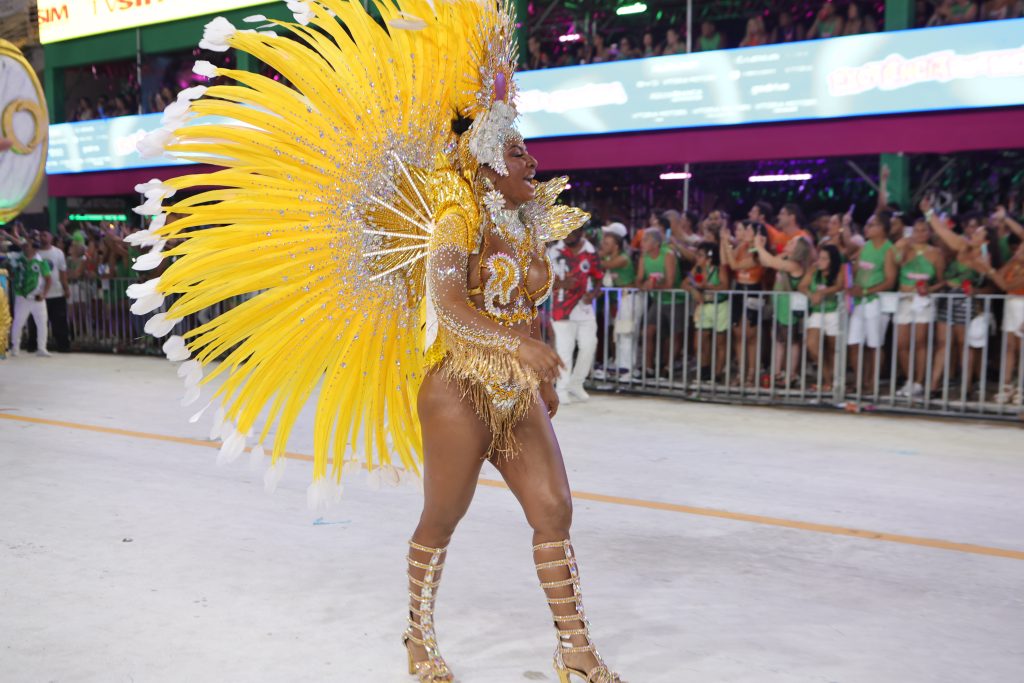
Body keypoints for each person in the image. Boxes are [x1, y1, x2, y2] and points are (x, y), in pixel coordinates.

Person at [125, 3, 623, 682]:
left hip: (512, 394)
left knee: (554, 509)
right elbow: (447, 308)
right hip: (458, 393)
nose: (530, 161)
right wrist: (521, 348)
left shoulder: (525, 221)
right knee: (442, 519)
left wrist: (533, 369)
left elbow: (518, 307)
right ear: (482, 157)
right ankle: (418, 637)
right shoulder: (456, 215)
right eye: (514, 150)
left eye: (526, 149)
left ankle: (574, 648)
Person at [549, 228, 604, 404]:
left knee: (589, 346)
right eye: (565, 232)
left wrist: (594, 294)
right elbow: (543, 278)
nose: (567, 235)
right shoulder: (554, 251)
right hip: (561, 308)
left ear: (581, 232)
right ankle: (562, 388)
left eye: (572, 232)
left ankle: (576, 383)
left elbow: (598, 277)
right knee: (565, 349)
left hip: (584, 307)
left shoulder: (590, 251)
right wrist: (562, 283)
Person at [892, 219, 945, 399]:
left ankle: (919, 382)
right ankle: (909, 378)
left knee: (920, 342)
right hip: (904, 300)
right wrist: (906, 247)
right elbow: (898, 263)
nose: (920, 233)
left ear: (929, 233)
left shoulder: (936, 253)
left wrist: (929, 289)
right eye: (916, 230)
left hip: (923, 301)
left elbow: (940, 280)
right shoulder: (906, 249)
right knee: (902, 343)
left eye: (923, 230)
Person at [755, 234, 814, 388]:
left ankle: (791, 374)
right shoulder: (786, 259)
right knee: (779, 341)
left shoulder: (795, 264)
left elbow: (770, 261)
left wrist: (760, 247)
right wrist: (762, 247)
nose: (788, 242)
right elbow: (765, 261)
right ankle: (777, 373)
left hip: (790, 309)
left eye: (792, 242)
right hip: (781, 307)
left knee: (792, 343)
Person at [848, 212, 897, 394]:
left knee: (874, 344)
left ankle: (872, 383)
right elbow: (854, 268)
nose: (867, 227)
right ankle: (860, 381)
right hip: (860, 301)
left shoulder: (888, 249)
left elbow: (890, 280)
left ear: (883, 229)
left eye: (873, 224)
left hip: (876, 301)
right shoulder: (865, 246)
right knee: (854, 342)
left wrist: (867, 290)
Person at [722, 220, 767, 387]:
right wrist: (724, 241)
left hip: (753, 290)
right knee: (738, 334)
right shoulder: (741, 247)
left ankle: (751, 374)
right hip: (739, 289)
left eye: (749, 230)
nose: (745, 232)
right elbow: (725, 261)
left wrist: (727, 245)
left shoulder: (757, 252)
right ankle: (741, 372)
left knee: (751, 336)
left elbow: (734, 265)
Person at [637, 226, 683, 377]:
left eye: (645, 240)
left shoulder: (668, 255)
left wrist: (654, 286)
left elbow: (670, 283)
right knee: (648, 332)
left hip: (675, 300)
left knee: (673, 334)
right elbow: (638, 280)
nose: (642, 242)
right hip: (658, 300)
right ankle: (648, 367)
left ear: (656, 243)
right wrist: (645, 286)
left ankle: (668, 367)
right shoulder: (644, 257)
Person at [683, 240, 731, 381]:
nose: (697, 257)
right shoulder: (697, 269)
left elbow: (724, 286)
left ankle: (717, 373)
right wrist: (693, 290)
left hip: (720, 306)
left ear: (710, 257)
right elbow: (685, 283)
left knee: (720, 341)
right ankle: (704, 370)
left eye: (700, 255)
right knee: (700, 342)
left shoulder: (719, 268)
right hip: (704, 306)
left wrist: (707, 286)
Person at [801, 244, 845, 391]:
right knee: (812, 346)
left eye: (825, 259)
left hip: (834, 311)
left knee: (833, 349)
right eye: (820, 257)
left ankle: (834, 381)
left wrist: (823, 292)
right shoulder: (813, 269)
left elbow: (839, 286)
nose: (820, 261)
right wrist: (811, 295)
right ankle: (828, 379)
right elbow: (802, 286)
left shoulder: (839, 270)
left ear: (832, 261)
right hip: (818, 311)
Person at [598, 222, 638, 379]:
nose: (603, 245)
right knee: (618, 333)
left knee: (625, 333)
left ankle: (627, 369)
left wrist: (591, 256)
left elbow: (601, 264)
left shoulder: (622, 258)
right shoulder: (610, 255)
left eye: (606, 243)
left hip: (630, 298)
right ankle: (620, 365)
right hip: (620, 301)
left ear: (616, 245)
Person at [8, 238, 52, 357]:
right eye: (25, 245)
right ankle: (15, 347)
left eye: (28, 245)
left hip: (37, 297)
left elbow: (48, 279)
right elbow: (11, 273)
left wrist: (44, 294)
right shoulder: (18, 259)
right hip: (22, 297)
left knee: (42, 323)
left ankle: (42, 348)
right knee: (18, 323)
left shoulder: (41, 262)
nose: (25, 247)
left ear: (34, 248)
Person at [36, 230, 70, 352]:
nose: (42, 237)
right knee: (39, 322)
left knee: (59, 321)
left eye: (45, 235)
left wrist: (66, 288)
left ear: (51, 237)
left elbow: (63, 273)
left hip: (56, 292)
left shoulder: (58, 253)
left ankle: (63, 346)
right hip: (40, 294)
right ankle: (38, 346)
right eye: (41, 235)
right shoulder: (36, 253)